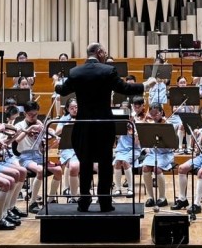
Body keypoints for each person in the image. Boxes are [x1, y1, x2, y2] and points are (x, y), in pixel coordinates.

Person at [54, 42, 145, 212]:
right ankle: (104, 202)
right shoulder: (108, 70)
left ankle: (84, 201)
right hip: (104, 125)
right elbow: (124, 88)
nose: (105, 55)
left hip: (83, 125)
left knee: (85, 163)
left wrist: (55, 84)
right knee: (104, 163)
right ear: (100, 52)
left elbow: (63, 91)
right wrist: (145, 86)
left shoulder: (75, 72)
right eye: (104, 52)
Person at [13, 100, 62, 213]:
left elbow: (41, 149)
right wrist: (28, 130)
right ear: (25, 113)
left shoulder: (40, 125)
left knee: (58, 170)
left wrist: (52, 143)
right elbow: (16, 140)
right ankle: (33, 202)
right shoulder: (19, 125)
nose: (33, 117)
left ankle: (50, 200)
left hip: (38, 155)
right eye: (30, 115)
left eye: (35, 115)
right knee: (40, 170)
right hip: (24, 157)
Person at [140, 103, 175, 207]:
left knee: (157, 169)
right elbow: (144, 140)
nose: (154, 116)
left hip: (166, 154)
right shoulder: (150, 125)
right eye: (152, 114)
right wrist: (146, 148)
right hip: (153, 153)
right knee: (145, 168)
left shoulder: (168, 124)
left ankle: (162, 197)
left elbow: (173, 144)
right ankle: (150, 197)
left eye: (156, 114)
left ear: (161, 112)